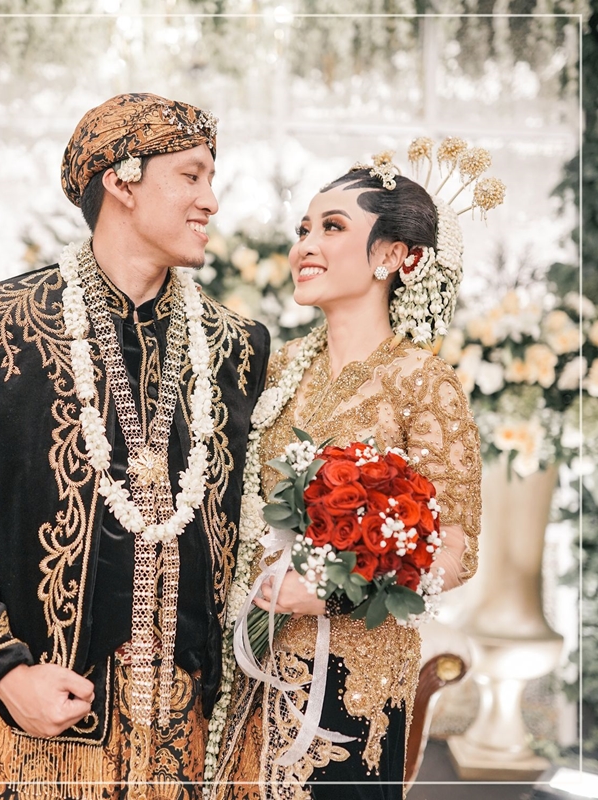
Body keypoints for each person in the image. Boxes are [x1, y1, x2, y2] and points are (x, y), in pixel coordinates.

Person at [0, 92, 270, 800]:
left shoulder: (237, 344)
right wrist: (5, 672)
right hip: (40, 732)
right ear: (121, 182)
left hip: (189, 741)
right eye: (191, 176)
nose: (211, 200)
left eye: (211, 178)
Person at [208, 153, 486, 799]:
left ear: (392, 255)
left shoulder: (424, 383)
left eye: (331, 227)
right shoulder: (276, 370)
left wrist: (336, 590)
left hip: (354, 679)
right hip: (249, 661)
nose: (305, 246)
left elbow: (456, 552)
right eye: (303, 229)